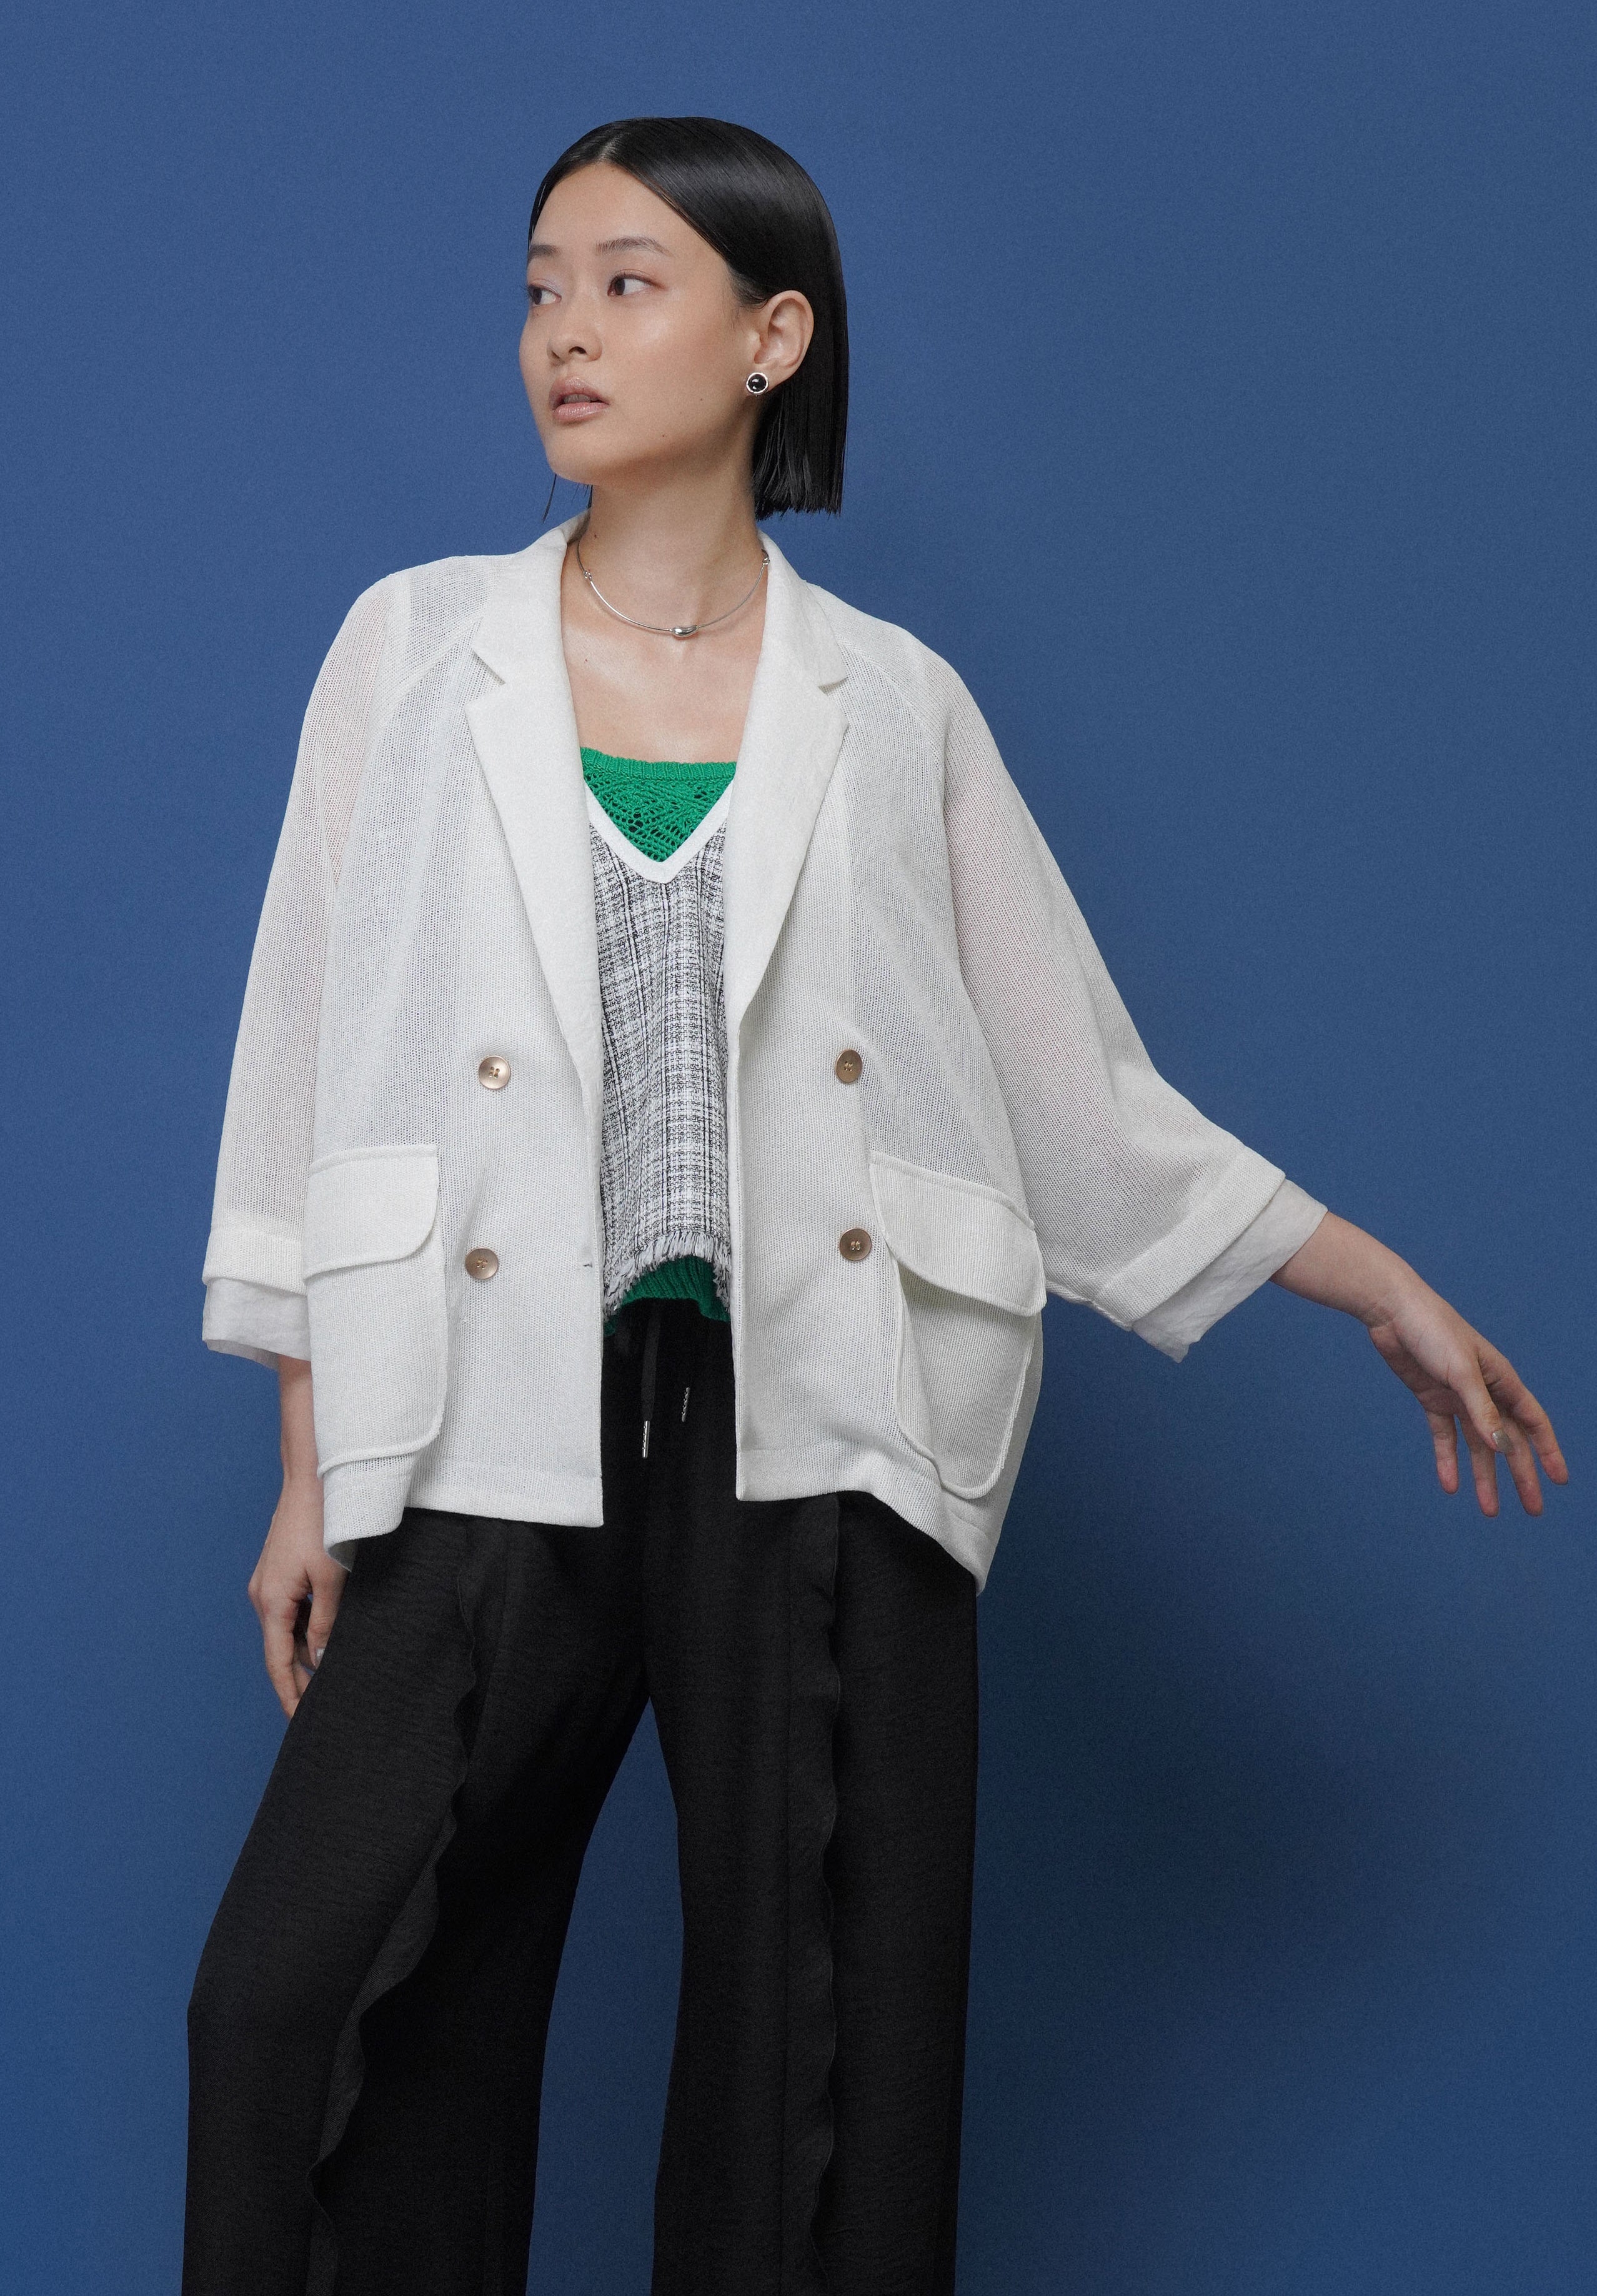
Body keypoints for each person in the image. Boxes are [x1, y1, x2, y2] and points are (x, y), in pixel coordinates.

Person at [181, 115, 1566, 2296]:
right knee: (311, 2007)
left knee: (815, 2073)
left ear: (771, 337)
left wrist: (1359, 1273)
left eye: (625, 282)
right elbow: (307, 1044)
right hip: (482, 1404)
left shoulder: (893, 703)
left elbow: (1068, 1084)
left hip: (822, 1422)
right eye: (540, 285)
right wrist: (307, 1456)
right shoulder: (414, 651)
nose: (560, 331)